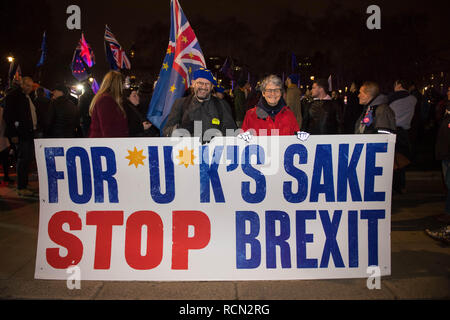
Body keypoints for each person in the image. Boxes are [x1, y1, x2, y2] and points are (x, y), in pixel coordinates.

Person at [163, 68, 237, 142]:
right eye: (200, 83)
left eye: (207, 84)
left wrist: (217, 141)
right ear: (193, 84)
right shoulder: (180, 104)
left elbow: (231, 131)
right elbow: (166, 132)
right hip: (187, 151)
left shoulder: (221, 105)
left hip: (212, 152)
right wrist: (180, 129)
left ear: (212, 87)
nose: (203, 87)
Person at [3, 76, 38, 196]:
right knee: (23, 159)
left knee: (27, 159)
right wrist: (13, 133)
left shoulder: (26, 96)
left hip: (28, 132)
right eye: (27, 85)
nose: (29, 88)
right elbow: (8, 116)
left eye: (31, 86)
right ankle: (21, 187)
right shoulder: (14, 96)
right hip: (21, 133)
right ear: (22, 84)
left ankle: (24, 184)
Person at [388, 80, 417, 194]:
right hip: (405, 131)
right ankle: (401, 185)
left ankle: (394, 186)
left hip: (393, 130)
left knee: (393, 160)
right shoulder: (413, 100)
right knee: (402, 160)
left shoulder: (392, 98)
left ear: (399, 85)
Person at [88, 71, 128, 138]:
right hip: (105, 144)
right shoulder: (106, 100)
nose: (124, 87)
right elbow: (107, 128)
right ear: (118, 84)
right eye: (123, 84)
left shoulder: (109, 99)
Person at [0, 105, 11, 184]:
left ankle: (6, 176)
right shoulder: (2, 110)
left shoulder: (2, 110)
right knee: (5, 159)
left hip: (3, 138)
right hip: (3, 138)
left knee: (5, 159)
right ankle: (6, 176)